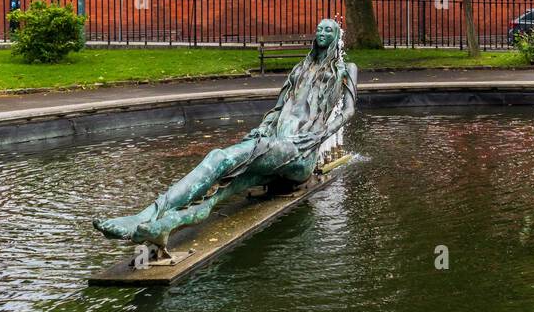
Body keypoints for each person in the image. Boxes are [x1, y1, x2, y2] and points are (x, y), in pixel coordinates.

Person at [94, 18, 356, 257]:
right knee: (227, 187)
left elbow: (348, 110)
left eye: (328, 30)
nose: (322, 33)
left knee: (219, 158)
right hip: (274, 144)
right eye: (320, 29)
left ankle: (146, 213)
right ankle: (164, 225)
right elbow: (278, 109)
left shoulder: (347, 69)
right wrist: (263, 127)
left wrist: (320, 135)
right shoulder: (300, 68)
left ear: (336, 36)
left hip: (300, 152)